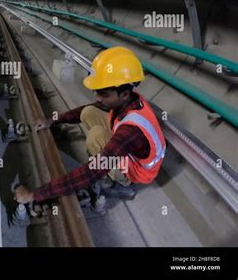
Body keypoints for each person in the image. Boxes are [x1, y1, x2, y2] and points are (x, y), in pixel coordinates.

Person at [14, 46, 166, 205]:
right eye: (97, 92)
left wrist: (35, 194)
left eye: (103, 94)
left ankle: (123, 184)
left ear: (124, 94)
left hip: (138, 170)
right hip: (133, 146)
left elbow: (91, 172)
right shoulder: (128, 99)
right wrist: (53, 120)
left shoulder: (131, 131)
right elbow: (84, 110)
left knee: (96, 137)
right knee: (88, 112)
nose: (97, 97)